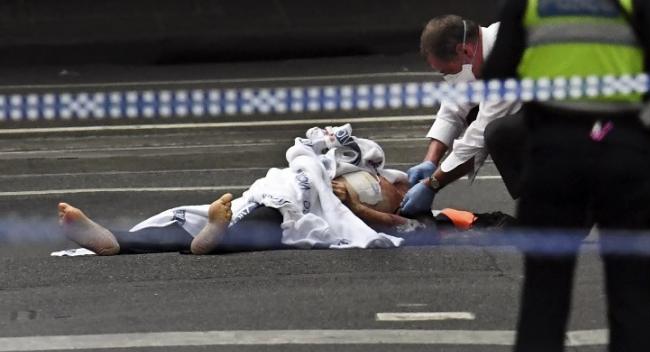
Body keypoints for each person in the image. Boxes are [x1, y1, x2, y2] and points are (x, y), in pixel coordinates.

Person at [482, 0, 650, 352]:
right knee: (633, 293)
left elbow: (497, 73)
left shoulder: (530, 4)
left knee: (544, 292)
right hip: (622, 147)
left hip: (554, 150)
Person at [58, 125, 514, 256]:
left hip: (313, 206)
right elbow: (329, 145)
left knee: (250, 226)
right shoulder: (382, 170)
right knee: (215, 217)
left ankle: (199, 242)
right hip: (291, 186)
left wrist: (354, 204)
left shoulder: (408, 213)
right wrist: (322, 155)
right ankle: (116, 240)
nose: (409, 185)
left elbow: (388, 227)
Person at [400, 15, 525, 217]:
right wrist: (430, 162)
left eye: (447, 72)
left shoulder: (506, 55)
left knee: (499, 132)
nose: (449, 79)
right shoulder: (480, 53)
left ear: (464, 50)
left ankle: (553, 202)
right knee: (477, 115)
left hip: (583, 119)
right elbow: (454, 106)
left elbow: (480, 134)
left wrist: (432, 184)